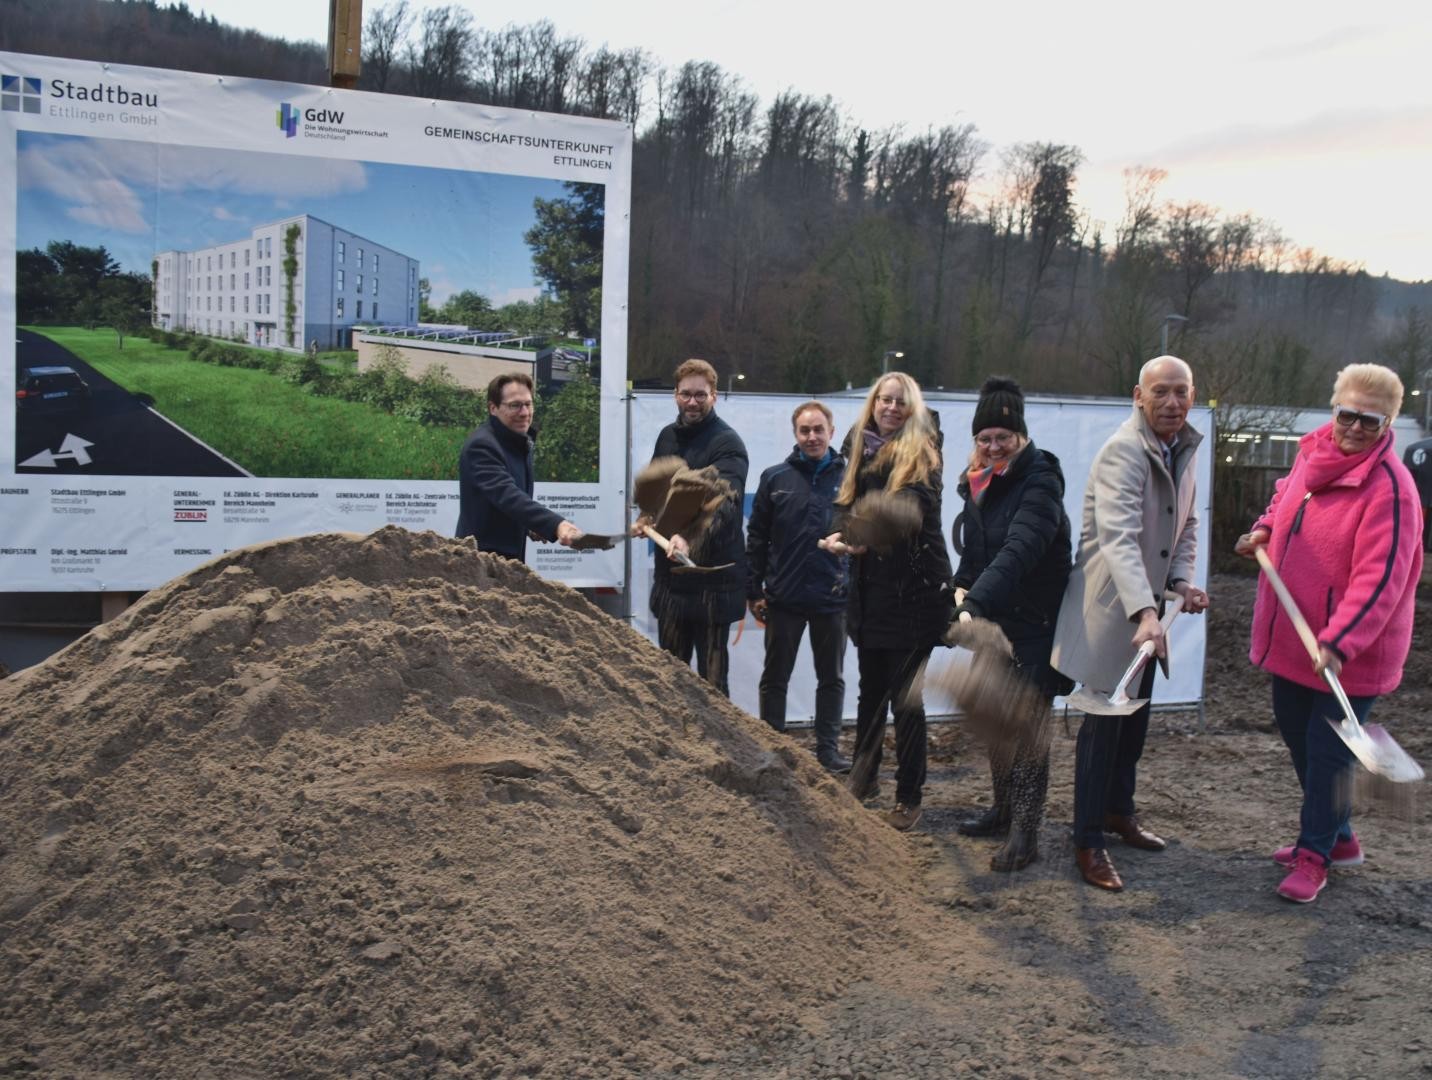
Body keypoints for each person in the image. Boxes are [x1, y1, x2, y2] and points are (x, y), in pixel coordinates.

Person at [1235, 363, 1423, 904]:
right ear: (1333, 408)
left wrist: (1341, 640)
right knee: (1298, 734)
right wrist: (1266, 526)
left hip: (1349, 653)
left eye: (1372, 420)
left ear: (1388, 424)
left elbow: (1381, 578)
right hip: (1296, 640)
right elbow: (1285, 496)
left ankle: (1314, 856)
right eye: (1348, 415)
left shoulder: (1392, 491)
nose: (1357, 428)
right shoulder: (1313, 453)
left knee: (1326, 753)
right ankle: (1339, 838)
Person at [1051, 355, 1210, 892]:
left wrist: (1183, 582)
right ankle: (1088, 841)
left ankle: (1120, 813)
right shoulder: (1125, 450)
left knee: (1133, 729)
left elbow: (1185, 525)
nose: (1171, 402)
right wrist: (1146, 611)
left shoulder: (1183, 448)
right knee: (1102, 731)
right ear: (1137, 395)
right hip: (1109, 615)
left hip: (1147, 616)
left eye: (1181, 392)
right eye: (1160, 392)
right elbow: (1117, 538)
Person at [950, 376, 1073, 871]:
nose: (994, 446)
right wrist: (957, 592)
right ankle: (1002, 810)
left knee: (1026, 730)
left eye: (1004, 436)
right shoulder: (981, 482)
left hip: (1033, 626)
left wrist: (972, 603)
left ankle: (1026, 833)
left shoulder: (1040, 479)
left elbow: (1018, 551)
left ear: (1020, 435)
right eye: (985, 438)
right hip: (995, 624)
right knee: (997, 723)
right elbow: (976, 553)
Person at [821, 372, 952, 832]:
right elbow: (846, 501)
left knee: (907, 702)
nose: (891, 408)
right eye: (884, 400)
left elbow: (910, 510)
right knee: (870, 693)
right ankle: (863, 776)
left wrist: (861, 534)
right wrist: (841, 529)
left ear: (911, 409)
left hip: (915, 595)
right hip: (871, 594)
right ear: (873, 404)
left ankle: (909, 797)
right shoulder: (861, 446)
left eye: (900, 402)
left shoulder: (923, 451)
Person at [746, 400, 850, 771]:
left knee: (831, 679)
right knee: (775, 676)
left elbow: (864, 534)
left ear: (831, 432)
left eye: (818, 429)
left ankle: (828, 751)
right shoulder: (775, 478)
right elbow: (756, 537)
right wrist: (753, 590)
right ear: (795, 435)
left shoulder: (850, 479)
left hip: (833, 597)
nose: (812, 436)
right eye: (805, 430)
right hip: (784, 598)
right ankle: (773, 748)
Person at [639, 359, 749, 696]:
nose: (692, 402)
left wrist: (689, 539)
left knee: (712, 686)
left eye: (700, 395)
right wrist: (648, 518)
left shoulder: (728, 444)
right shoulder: (666, 438)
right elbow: (660, 493)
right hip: (671, 584)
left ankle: (717, 749)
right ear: (675, 395)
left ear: (714, 396)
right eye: (686, 394)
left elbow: (725, 507)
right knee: (671, 683)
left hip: (711, 586)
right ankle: (674, 748)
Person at [455, 372, 581, 560]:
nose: (524, 413)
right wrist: (556, 525)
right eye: (515, 405)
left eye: (528, 404)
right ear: (493, 408)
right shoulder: (482, 446)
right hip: (480, 564)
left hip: (506, 562)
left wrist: (530, 526)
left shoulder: (519, 441)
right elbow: (508, 496)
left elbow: (505, 505)